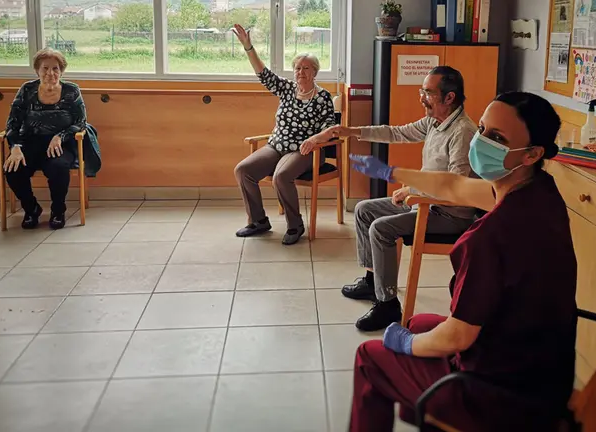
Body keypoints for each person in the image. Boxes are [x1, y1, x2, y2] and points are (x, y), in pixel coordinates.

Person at [346, 92, 578, 432]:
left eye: (497, 138)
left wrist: (406, 344)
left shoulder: (491, 236)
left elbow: (457, 338)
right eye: (482, 129)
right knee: (419, 321)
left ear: (532, 153)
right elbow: (454, 185)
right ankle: (430, 416)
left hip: (501, 398)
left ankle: (445, 414)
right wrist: (390, 171)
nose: (481, 141)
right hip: (542, 371)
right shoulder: (539, 192)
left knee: (372, 357)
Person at [309, 66, 477, 331]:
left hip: (449, 213)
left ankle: (387, 304)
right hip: (425, 202)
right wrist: (351, 131)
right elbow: (396, 132)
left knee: (381, 229)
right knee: (364, 210)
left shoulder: (463, 131)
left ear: (449, 97)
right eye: (422, 91)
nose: (422, 98)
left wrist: (412, 190)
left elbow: (455, 185)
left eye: (428, 93)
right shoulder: (435, 122)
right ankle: (372, 281)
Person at [232, 24, 336, 245]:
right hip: (277, 146)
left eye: (306, 68)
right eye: (297, 68)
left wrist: (314, 139)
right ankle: (258, 221)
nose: (301, 72)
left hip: (306, 150)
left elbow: (330, 128)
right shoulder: (287, 89)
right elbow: (264, 74)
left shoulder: (323, 97)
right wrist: (248, 47)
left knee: (281, 176)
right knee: (243, 170)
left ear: (315, 72)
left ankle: (295, 225)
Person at [3, 48, 86, 230]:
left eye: (55, 68)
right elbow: (12, 123)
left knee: (58, 167)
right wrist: (15, 147)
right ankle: (31, 209)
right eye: (45, 68)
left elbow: (81, 122)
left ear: (61, 70)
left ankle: (58, 211)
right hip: (29, 142)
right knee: (13, 169)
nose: (50, 73)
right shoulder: (27, 90)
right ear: (37, 71)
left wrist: (59, 136)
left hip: (61, 144)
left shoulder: (71, 90)